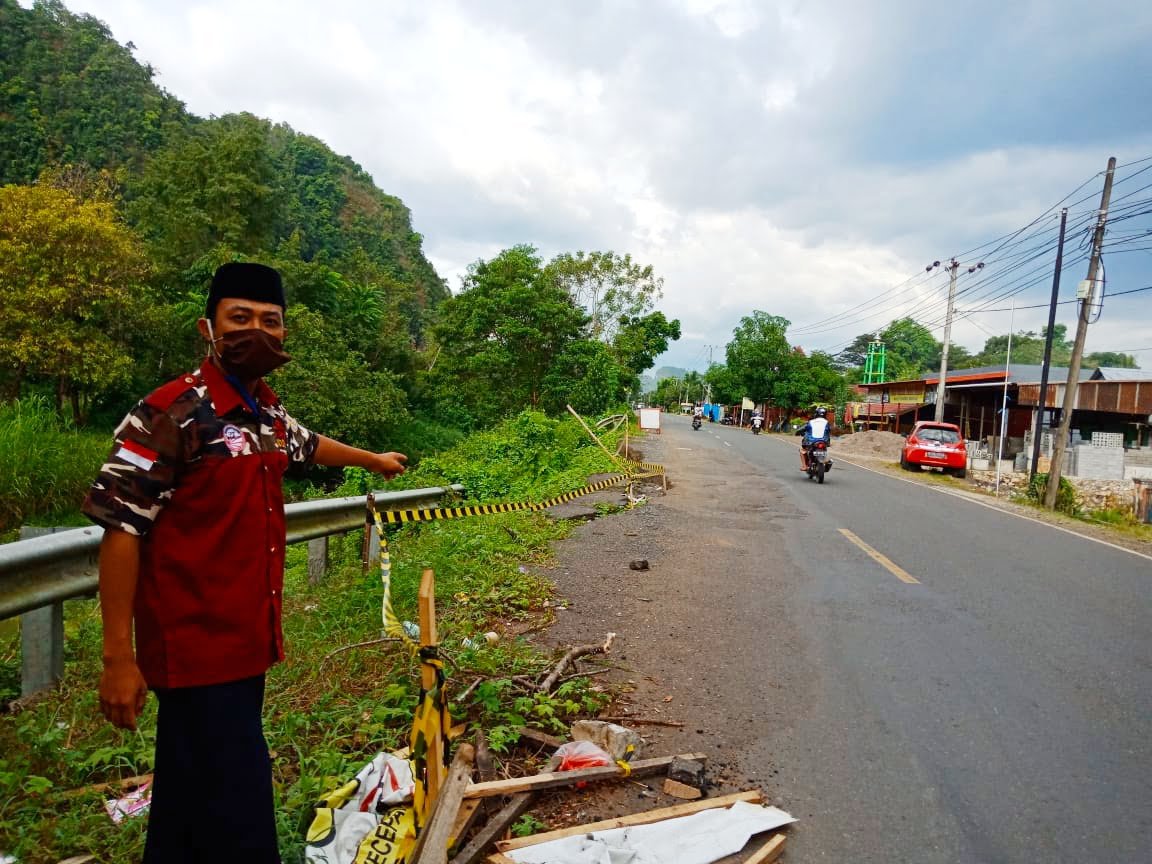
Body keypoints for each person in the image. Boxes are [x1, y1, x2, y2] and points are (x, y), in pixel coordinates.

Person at [82, 262, 408, 863]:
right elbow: (122, 529)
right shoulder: (173, 411)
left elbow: (309, 443)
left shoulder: (265, 414)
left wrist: (373, 460)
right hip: (193, 644)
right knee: (242, 810)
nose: (256, 331)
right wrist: (117, 658)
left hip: (247, 639)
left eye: (270, 321)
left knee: (188, 797)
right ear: (208, 327)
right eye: (240, 318)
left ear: (285, 334)